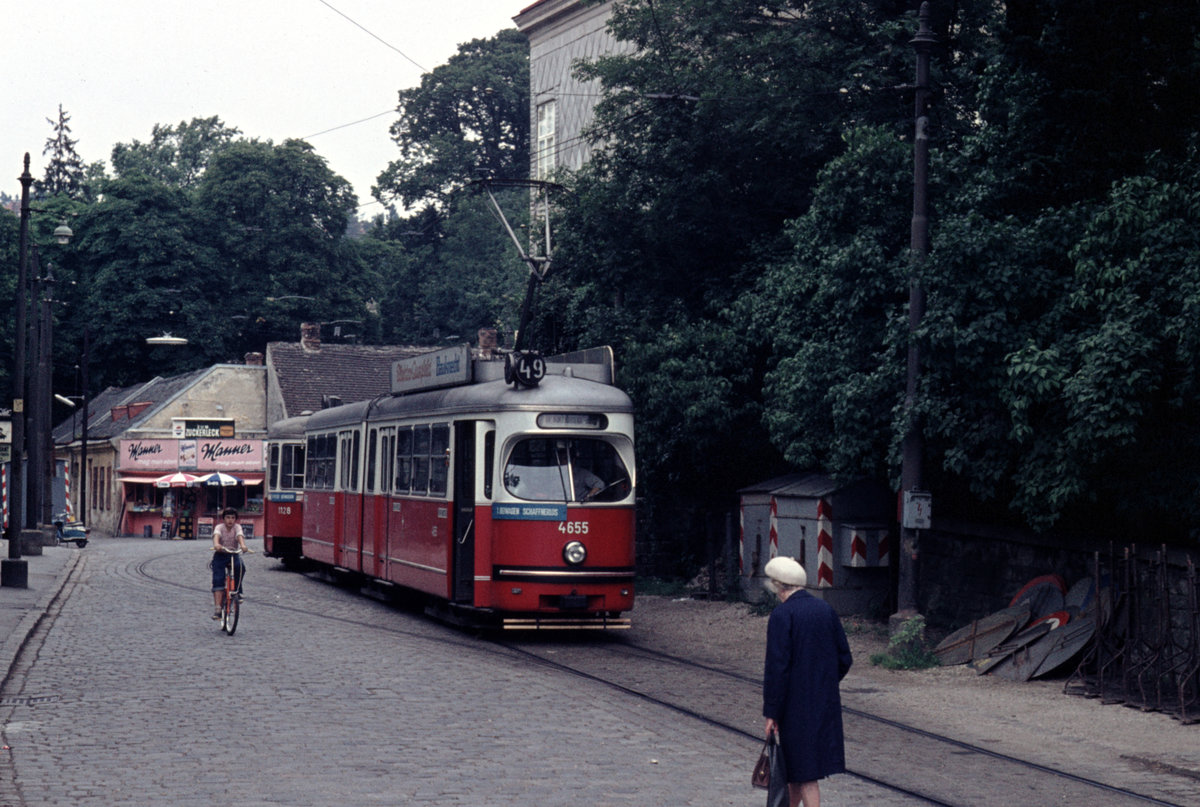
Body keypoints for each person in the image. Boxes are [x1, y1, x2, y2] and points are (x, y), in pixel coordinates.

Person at [762, 556, 853, 807]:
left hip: (794, 707)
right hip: (823, 703)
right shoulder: (825, 610)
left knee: (805, 774)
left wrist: (771, 713)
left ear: (779, 587)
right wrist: (823, 683)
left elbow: (777, 668)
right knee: (794, 769)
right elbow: (844, 658)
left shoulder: (782, 614)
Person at [210, 507, 251, 619]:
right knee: (218, 579)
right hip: (221, 554)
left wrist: (243, 545)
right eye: (228, 517)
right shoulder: (219, 527)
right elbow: (216, 536)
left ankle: (237, 590)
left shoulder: (237, 527)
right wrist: (216, 544)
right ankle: (218, 609)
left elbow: (239, 536)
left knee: (240, 567)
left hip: (233, 554)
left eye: (233, 518)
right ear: (223, 519)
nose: (230, 520)